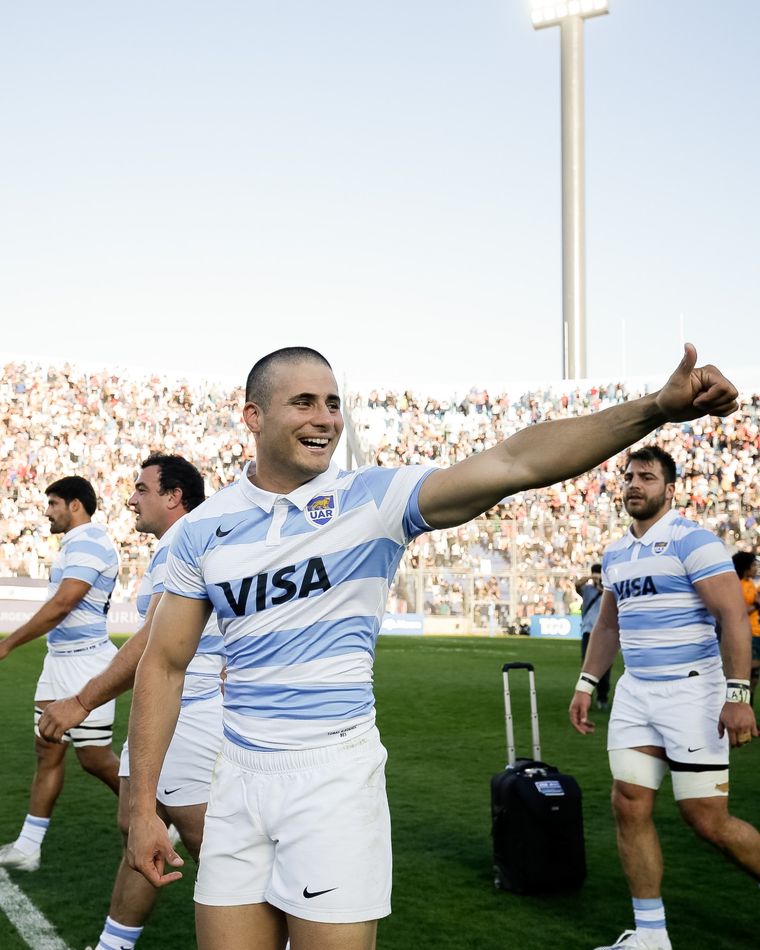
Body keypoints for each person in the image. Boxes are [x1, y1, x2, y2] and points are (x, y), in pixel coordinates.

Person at [127, 343, 738, 950]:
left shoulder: (372, 499)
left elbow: (515, 462)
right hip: (237, 777)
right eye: (304, 402)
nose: (326, 419)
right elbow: (164, 663)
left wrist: (655, 408)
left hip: (331, 778)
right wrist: (142, 805)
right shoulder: (201, 531)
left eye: (333, 404)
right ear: (253, 416)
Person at [569, 445, 760, 950]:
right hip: (636, 694)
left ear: (670, 490)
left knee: (707, 820)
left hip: (692, 692)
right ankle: (651, 936)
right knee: (629, 804)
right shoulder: (616, 553)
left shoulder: (693, 541)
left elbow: (733, 617)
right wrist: (586, 684)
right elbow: (608, 626)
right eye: (629, 476)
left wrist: (738, 694)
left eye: (647, 477)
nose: (634, 484)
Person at [38, 455, 225, 950]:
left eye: (142, 489)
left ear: (174, 496)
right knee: (136, 830)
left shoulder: (186, 542)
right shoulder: (173, 547)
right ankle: (113, 944)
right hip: (163, 711)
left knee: (214, 849)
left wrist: (81, 701)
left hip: (189, 711)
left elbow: (151, 644)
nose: (131, 500)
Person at [0, 476, 121, 872]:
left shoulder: (91, 541)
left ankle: (159, 817)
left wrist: (7, 643)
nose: (47, 511)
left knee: (94, 758)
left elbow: (64, 603)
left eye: (53, 503)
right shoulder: (73, 544)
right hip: (59, 661)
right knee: (47, 750)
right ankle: (28, 847)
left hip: (87, 664)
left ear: (75, 505)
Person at [575, 564, 611, 709]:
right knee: (586, 665)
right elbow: (577, 585)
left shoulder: (608, 590)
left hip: (605, 633)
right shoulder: (587, 589)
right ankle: (585, 696)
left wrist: (602, 583)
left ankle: (602, 697)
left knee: (605, 666)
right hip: (588, 631)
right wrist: (591, 578)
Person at [732, 550, 760, 704]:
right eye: (753, 565)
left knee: (754, 676)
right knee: (748, 673)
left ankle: (749, 705)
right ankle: (744, 705)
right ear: (745, 567)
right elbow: (739, 611)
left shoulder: (750, 583)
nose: (756, 568)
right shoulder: (736, 586)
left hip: (757, 632)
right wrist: (756, 605)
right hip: (747, 633)